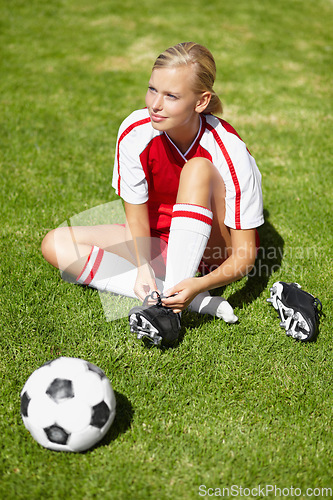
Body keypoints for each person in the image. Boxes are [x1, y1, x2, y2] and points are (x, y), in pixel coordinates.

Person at [41, 42, 264, 345]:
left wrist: (201, 282)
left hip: (212, 253)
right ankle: (188, 301)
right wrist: (143, 267)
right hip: (161, 242)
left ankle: (168, 312)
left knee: (198, 168)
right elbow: (136, 218)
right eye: (152, 89)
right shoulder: (135, 132)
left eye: (171, 96)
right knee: (56, 244)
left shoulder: (229, 149)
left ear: (202, 101)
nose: (155, 104)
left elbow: (245, 255)